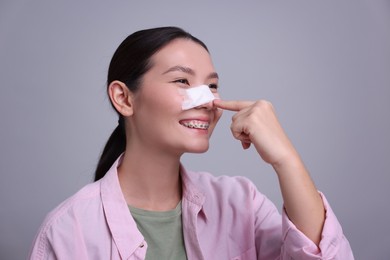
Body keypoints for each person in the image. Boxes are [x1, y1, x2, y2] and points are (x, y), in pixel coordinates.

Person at [29, 26, 354, 259]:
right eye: (182, 80)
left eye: (212, 86)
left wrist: (286, 159)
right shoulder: (68, 231)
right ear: (124, 98)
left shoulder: (241, 202)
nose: (207, 100)